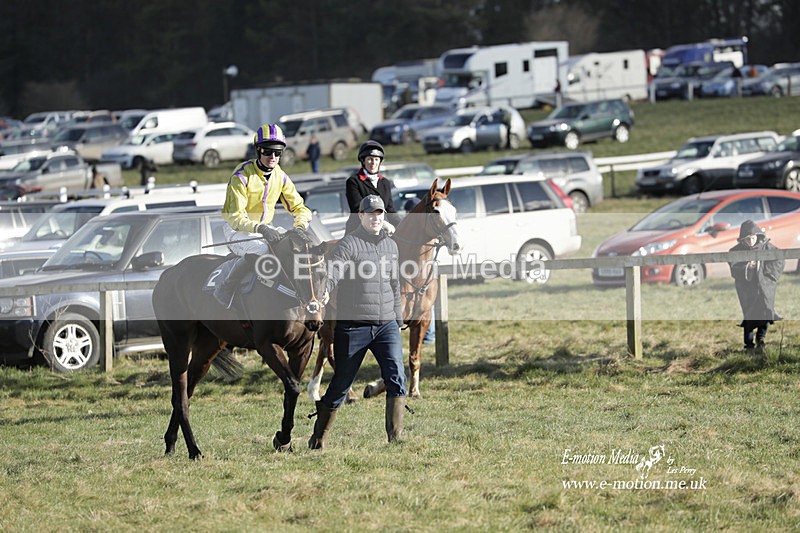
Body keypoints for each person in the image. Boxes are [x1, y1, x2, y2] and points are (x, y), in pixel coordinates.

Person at [309, 195, 406, 449]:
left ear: (383, 216)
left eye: (379, 213)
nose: (375, 218)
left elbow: (394, 284)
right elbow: (333, 271)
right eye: (370, 213)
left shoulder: (391, 246)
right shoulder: (349, 244)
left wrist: (398, 318)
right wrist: (326, 289)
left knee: (397, 376)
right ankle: (319, 438)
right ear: (361, 216)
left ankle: (395, 440)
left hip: (386, 325)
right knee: (341, 383)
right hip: (354, 326)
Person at [214, 123, 312, 308]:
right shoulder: (241, 176)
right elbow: (235, 217)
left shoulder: (280, 176)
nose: (273, 157)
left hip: (265, 229)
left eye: (277, 153)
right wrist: (260, 228)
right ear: (258, 151)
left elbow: (300, 208)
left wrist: (299, 227)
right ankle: (226, 287)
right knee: (261, 251)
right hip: (237, 230)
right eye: (267, 152)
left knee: (294, 247)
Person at [728, 220, 783, 352]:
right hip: (747, 288)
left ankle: (761, 339)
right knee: (749, 313)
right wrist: (748, 267)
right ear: (742, 239)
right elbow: (734, 266)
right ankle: (748, 344)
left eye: (752, 238)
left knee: (765, 311)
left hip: (765, 286)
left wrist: (768, 275)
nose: (750, 241)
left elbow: (779, 259)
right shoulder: (736, 250)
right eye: (747, 239)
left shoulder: (766, 247)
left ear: (757, 235)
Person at [344, 140, 402, 235]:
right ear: (363, 160)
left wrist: (402, 224)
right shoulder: (353, 181)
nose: (373, 163)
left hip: (383, 230)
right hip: (359, 230)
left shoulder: (385, 182)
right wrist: (382, 223)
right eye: (370, 159)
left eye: (376, 159)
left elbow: (390, 209)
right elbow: (357, 208)